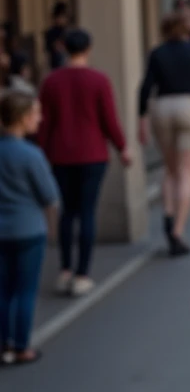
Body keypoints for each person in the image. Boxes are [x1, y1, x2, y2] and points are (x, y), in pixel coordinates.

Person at [37, 29, 130, 296]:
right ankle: (82, 274)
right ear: (88, 49)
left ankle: (65, 270)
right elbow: (109, 120)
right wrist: (123, 148)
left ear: (64, 48)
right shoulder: (98, 80)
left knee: (68, 211)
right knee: (87, 211)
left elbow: (44, 124)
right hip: (93, 155)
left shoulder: (51, 82)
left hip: (60, 154)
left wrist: (40, 153)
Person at [139, 11, 190, 256]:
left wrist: (141, 120)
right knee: (186, 173)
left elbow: (145, 87)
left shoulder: (157, 53)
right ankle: (177, 230)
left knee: (170, 169)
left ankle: (167, 211)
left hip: (162, 107)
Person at [0, 89, 59, 365]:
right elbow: (48, 195)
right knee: (24, 290)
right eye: (36, 113)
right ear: (24, 118)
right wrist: (53, 227)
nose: (41, 118)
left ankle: (3, 345)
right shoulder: (31, 154)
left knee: (3, 289)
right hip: (28, 229)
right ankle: (22, 346)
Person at [44, 2, 70, 71]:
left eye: (63, 17)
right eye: (59, 17)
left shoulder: (69, 32)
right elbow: (47, 51)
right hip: (55, 65)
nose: (61, 20)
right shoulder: (51, 33)